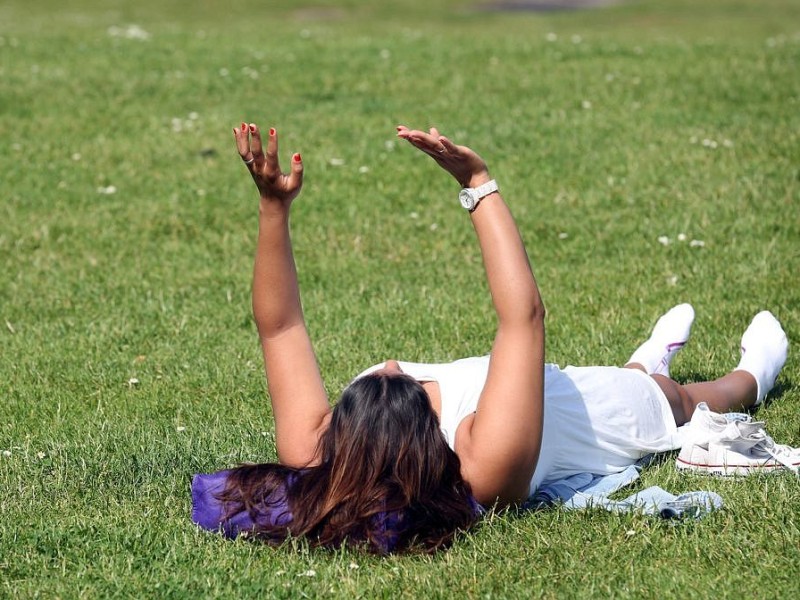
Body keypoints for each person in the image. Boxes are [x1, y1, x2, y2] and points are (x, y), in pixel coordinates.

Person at [191, 122, 790, 553]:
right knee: (672, 398)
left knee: (633, 373)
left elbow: (280, 325)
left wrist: (274, 208)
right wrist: (477, 183)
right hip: (578, 417)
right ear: (427, 441)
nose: (395, 363)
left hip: (503, 386)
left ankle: (647, 357)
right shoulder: (485, 464)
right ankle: (752, 374)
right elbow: (523, 318)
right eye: (404, 383)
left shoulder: (319, 448)